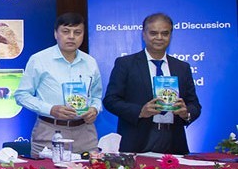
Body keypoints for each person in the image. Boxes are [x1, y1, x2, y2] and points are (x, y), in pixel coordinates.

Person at [103, 13, 201, 154]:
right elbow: (110, 100)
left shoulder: (182, 67)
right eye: (154, 33)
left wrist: (187, 113)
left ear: (171, 35)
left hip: (174, 141)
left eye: (165, 33)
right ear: (144, 34)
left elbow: (195, 104)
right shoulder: (126, 64)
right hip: (136, 141)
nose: (159, 38)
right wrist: (140, 111)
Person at [14, 12, 103, 158]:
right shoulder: (39, 60)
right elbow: (21, 95)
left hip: (85, 133)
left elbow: (96, 96)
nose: (72, 37)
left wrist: (94, 109)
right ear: (56, 34)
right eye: (66, 32)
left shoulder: (90, 62)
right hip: (50, 131)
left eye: (77, 32)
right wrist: (51, 109)